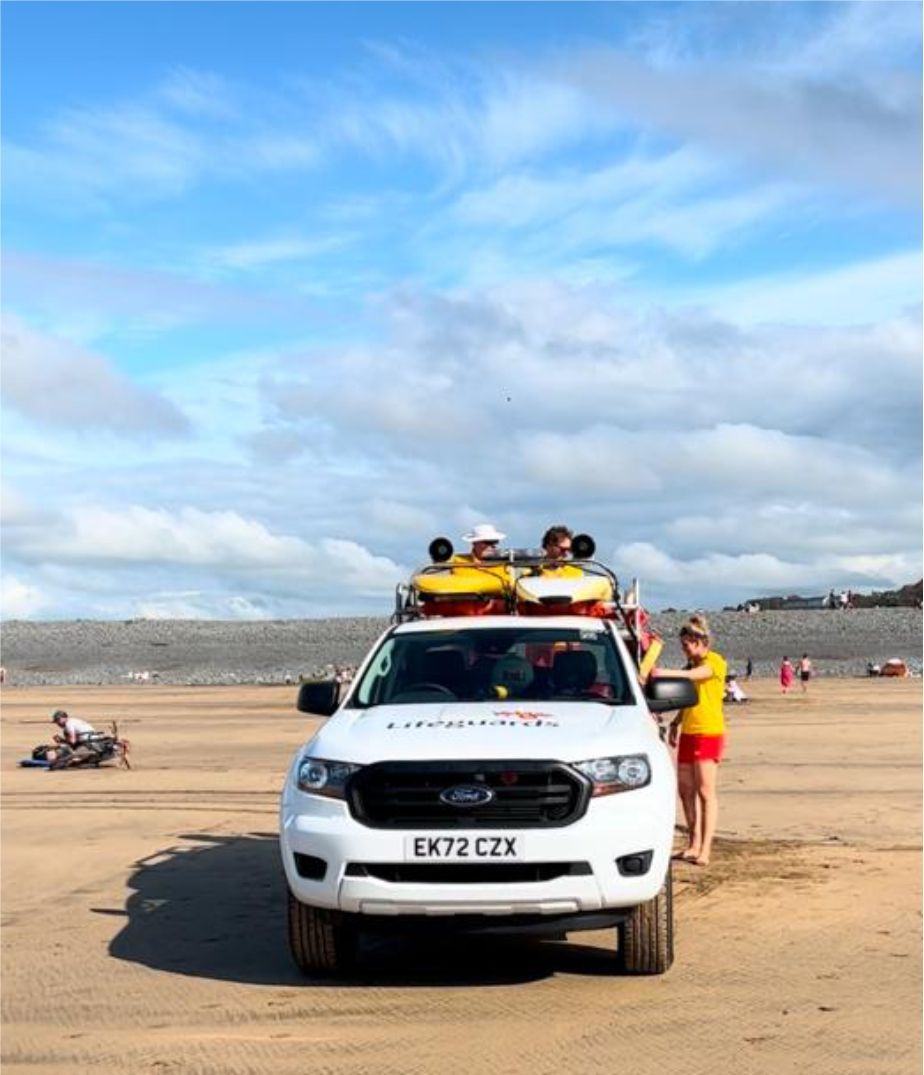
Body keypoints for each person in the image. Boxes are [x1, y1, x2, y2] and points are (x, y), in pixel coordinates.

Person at [652, 614, 727, 867]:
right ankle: (693, 842)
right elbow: (689, 697)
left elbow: (699, 676)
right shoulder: (690, 668)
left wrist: (664, 673)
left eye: (687, 645)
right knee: (685, 789)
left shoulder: (714, 662)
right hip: (690, 732)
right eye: (683, 645)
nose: (685, 649)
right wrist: (675, 722)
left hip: (709, 731)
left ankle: (705, 848)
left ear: (700, 641)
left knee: (706, 791)